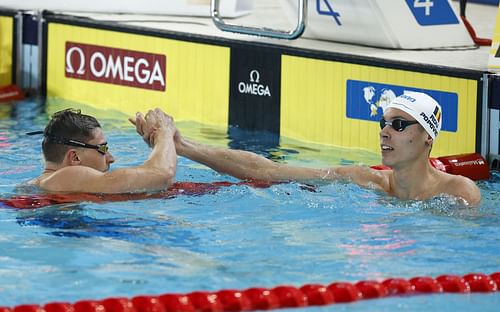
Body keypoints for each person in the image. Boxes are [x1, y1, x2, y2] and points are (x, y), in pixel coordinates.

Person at [137, 92, 481, 206]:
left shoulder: (459, 192)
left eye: (399, 125)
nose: (386, 132)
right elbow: (267, 171)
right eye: (384, 123)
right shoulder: (365, 180)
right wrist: (182, 146)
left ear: (428, 139)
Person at [27, 107, 177, 193]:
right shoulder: (66, 176)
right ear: (75, 158)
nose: (111, 158)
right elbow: (163, 175)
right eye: (103, 148)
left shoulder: (44, 184)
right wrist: (164, 131)